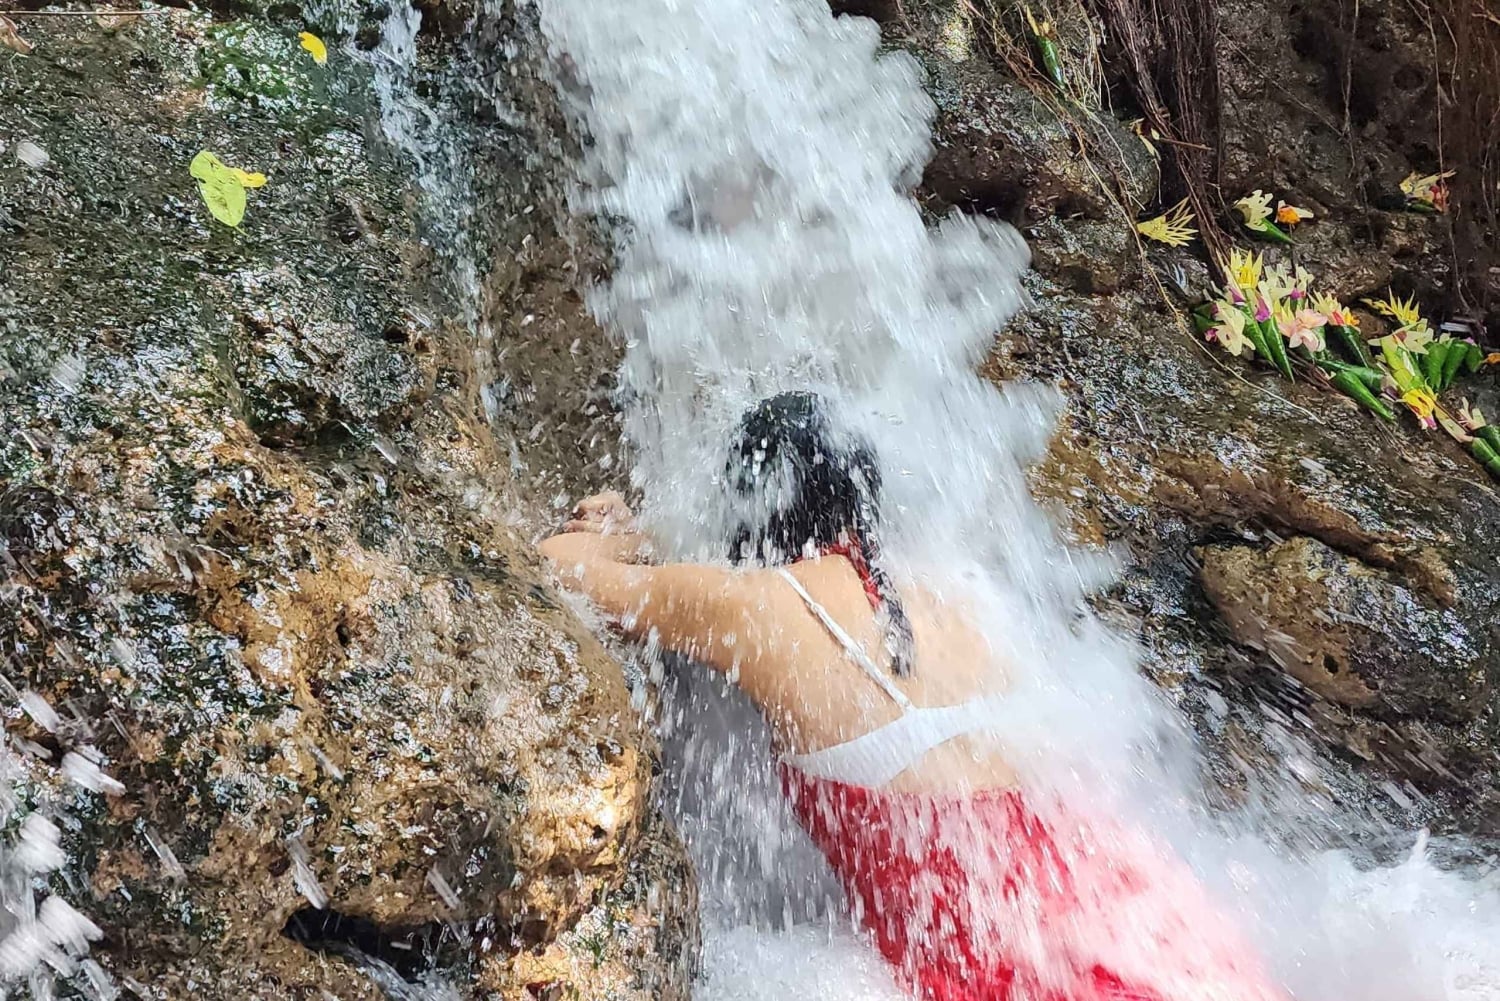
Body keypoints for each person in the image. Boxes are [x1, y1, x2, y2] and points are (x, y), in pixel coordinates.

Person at [539, 392, 1289, 1001]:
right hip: (1151, 930)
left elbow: (560, 567)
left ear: (751, 513)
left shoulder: (760, 606)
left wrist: (607, 531)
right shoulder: (949, 591)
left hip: (1008, 977)